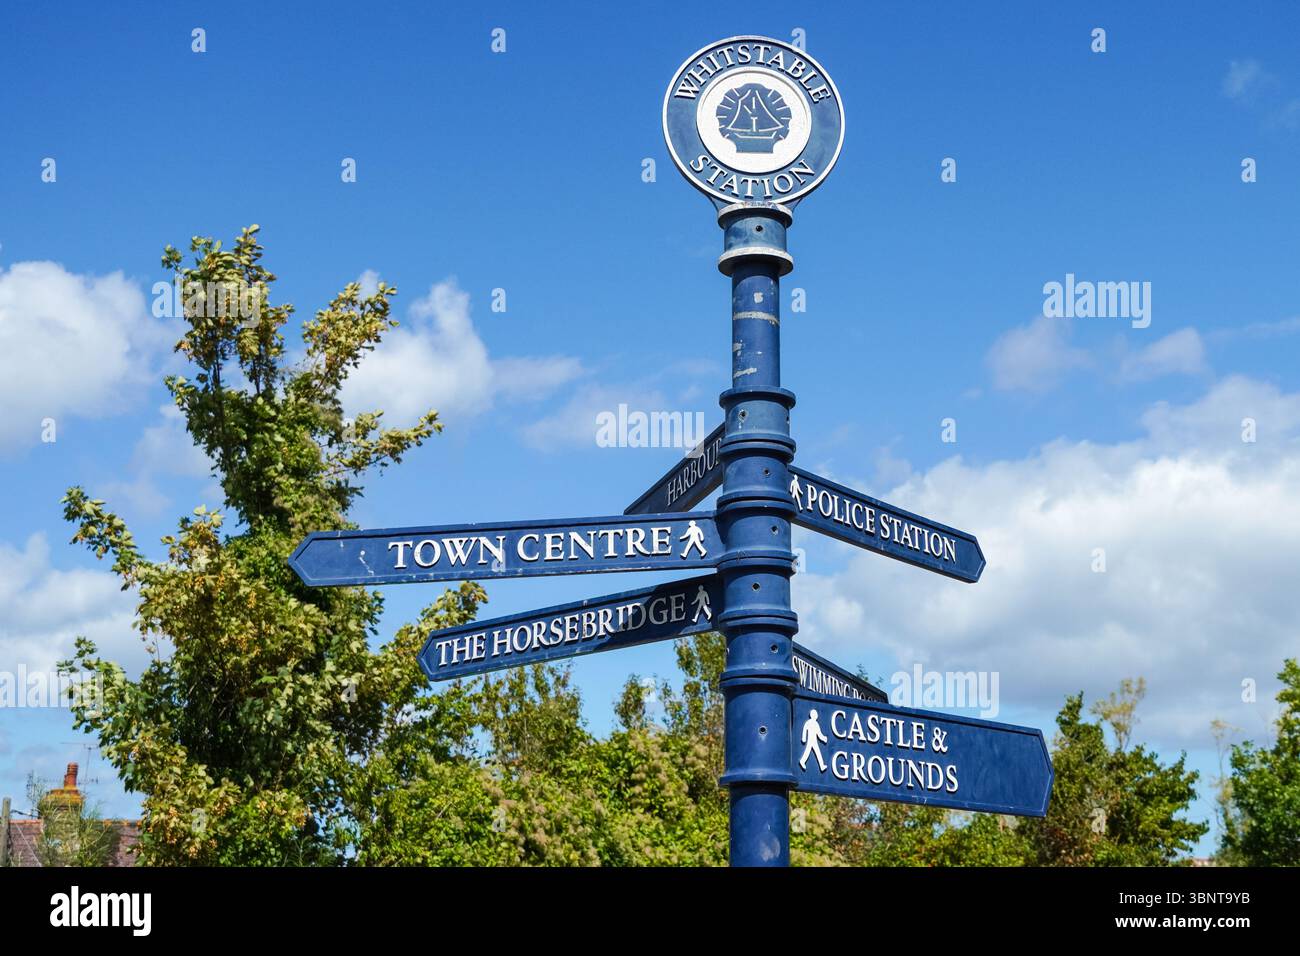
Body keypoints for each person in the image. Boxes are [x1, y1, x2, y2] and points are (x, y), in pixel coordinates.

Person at [799, 708, 828, 772]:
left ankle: (821, 765)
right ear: (813, 715)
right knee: (812, 752)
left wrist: (823, 738)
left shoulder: (816, 723)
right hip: (811, 740)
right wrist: (803, 738)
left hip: (814, 740)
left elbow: (819, 733)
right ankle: (803, 761)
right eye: (815, 714)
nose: (816, 716)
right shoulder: (809, 723)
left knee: (814, 752)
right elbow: (804, 730)